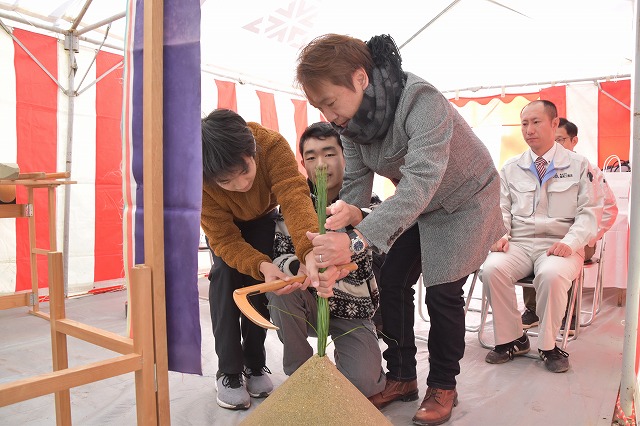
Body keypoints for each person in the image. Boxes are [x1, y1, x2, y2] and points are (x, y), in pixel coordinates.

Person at [295, 34, 505, 425]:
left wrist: (357, 240)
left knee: (443, 290)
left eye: (329, 102)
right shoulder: (351, 125)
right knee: (390, 278)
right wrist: (341, 227)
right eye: (319, 107)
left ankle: (443, 384)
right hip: (421, 204)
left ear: (359, 78)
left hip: (466, 199)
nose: (328, 115)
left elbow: (420, 180)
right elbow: (357, 187)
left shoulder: (421, 102)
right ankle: (403, 377)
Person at [201, 109, 340, 410]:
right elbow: (224, 239)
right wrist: (261, 264)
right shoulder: (197, 175)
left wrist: (307, 250)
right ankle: (228, 372)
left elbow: (293, 196)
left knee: (264, 285)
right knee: (225, 278)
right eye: (227, 181)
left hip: (264, 217)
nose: (240, 185)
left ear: (253, 150)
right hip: (225, 231)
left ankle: (254, 363)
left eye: (246, 171)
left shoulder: (271, 145)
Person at [481, 101, 603, 374]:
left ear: (554, 123)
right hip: (520, 244)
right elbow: (501, 208)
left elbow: (590, 213)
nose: (529, 129)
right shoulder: (511, 167)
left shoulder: (579, 165)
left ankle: (549, 346)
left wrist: (570, 243)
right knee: (491, 269)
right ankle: (513, 338)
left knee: (551, 275)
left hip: (560, 244)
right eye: (524, 124)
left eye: (536, 122)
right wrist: (500, 234)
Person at [267, 121, 386, 397]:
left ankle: (351, 368)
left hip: (353, 312)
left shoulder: (368, 204)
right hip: (307, 305)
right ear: (303, 163)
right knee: (280, 290)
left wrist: (356, 225)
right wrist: (300, 266)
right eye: (311, 157)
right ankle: (302, 374)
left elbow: (384, 240)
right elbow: (280, 258)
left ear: (346, 156)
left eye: (329, 153)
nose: (321, 164)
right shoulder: (294, 208)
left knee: (364, 386)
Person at [520, 117, 618, 334]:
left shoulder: (587, 168)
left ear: (574, 141)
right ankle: (533, 309)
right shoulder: (537, 168)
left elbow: (609, 208)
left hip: (578, 238)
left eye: (561, 140)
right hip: (542, 236)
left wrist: (588, 237)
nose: (554, 145)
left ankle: (569, 313)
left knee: (564, 253)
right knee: (530, 246)